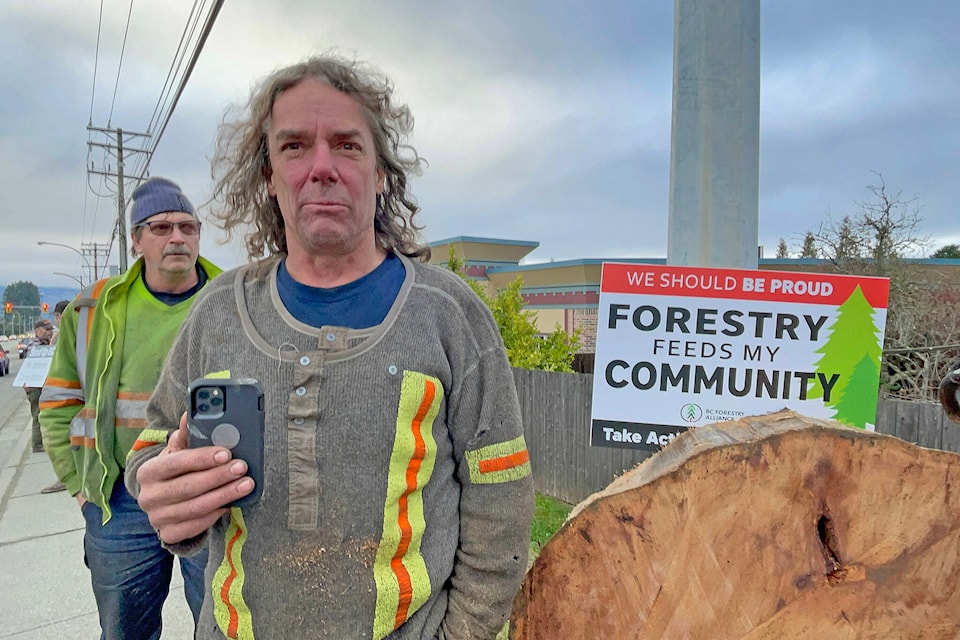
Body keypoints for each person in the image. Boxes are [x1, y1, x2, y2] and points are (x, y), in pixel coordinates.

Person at [126, 54, 535, 640]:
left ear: (381, 172)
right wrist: (166, 491)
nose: (321, 167)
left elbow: (502, 495)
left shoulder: (450, 315)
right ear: (268, 174)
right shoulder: (217, 312)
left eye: (346, 145)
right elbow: (152, 446)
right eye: (294, 146)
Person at [39, 177, 223, 640]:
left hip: (213, 497)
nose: (177, 237)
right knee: (125, 630)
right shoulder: (89, 311)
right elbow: (59, 404)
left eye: (187, 226)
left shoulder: (234, 300)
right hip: (120, 504)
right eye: (160, 227)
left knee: (223, 624)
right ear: (136, 240)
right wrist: (83, 492)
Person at [38, 300, 73, 493]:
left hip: (64, 395)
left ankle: (67, 478)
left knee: (63, 437)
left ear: (59, 316)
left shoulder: (62, 337)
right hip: (77, 395)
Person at [25, 319, 54, 454]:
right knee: (37, 414)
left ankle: (44, 440)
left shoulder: (48, 344)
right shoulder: (34, 346)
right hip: (35, 387)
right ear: (37, 331)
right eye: (46, 329)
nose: (50, 332)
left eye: (51, 329)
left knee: (45, 414)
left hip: (46, 385)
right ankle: (37, 444)